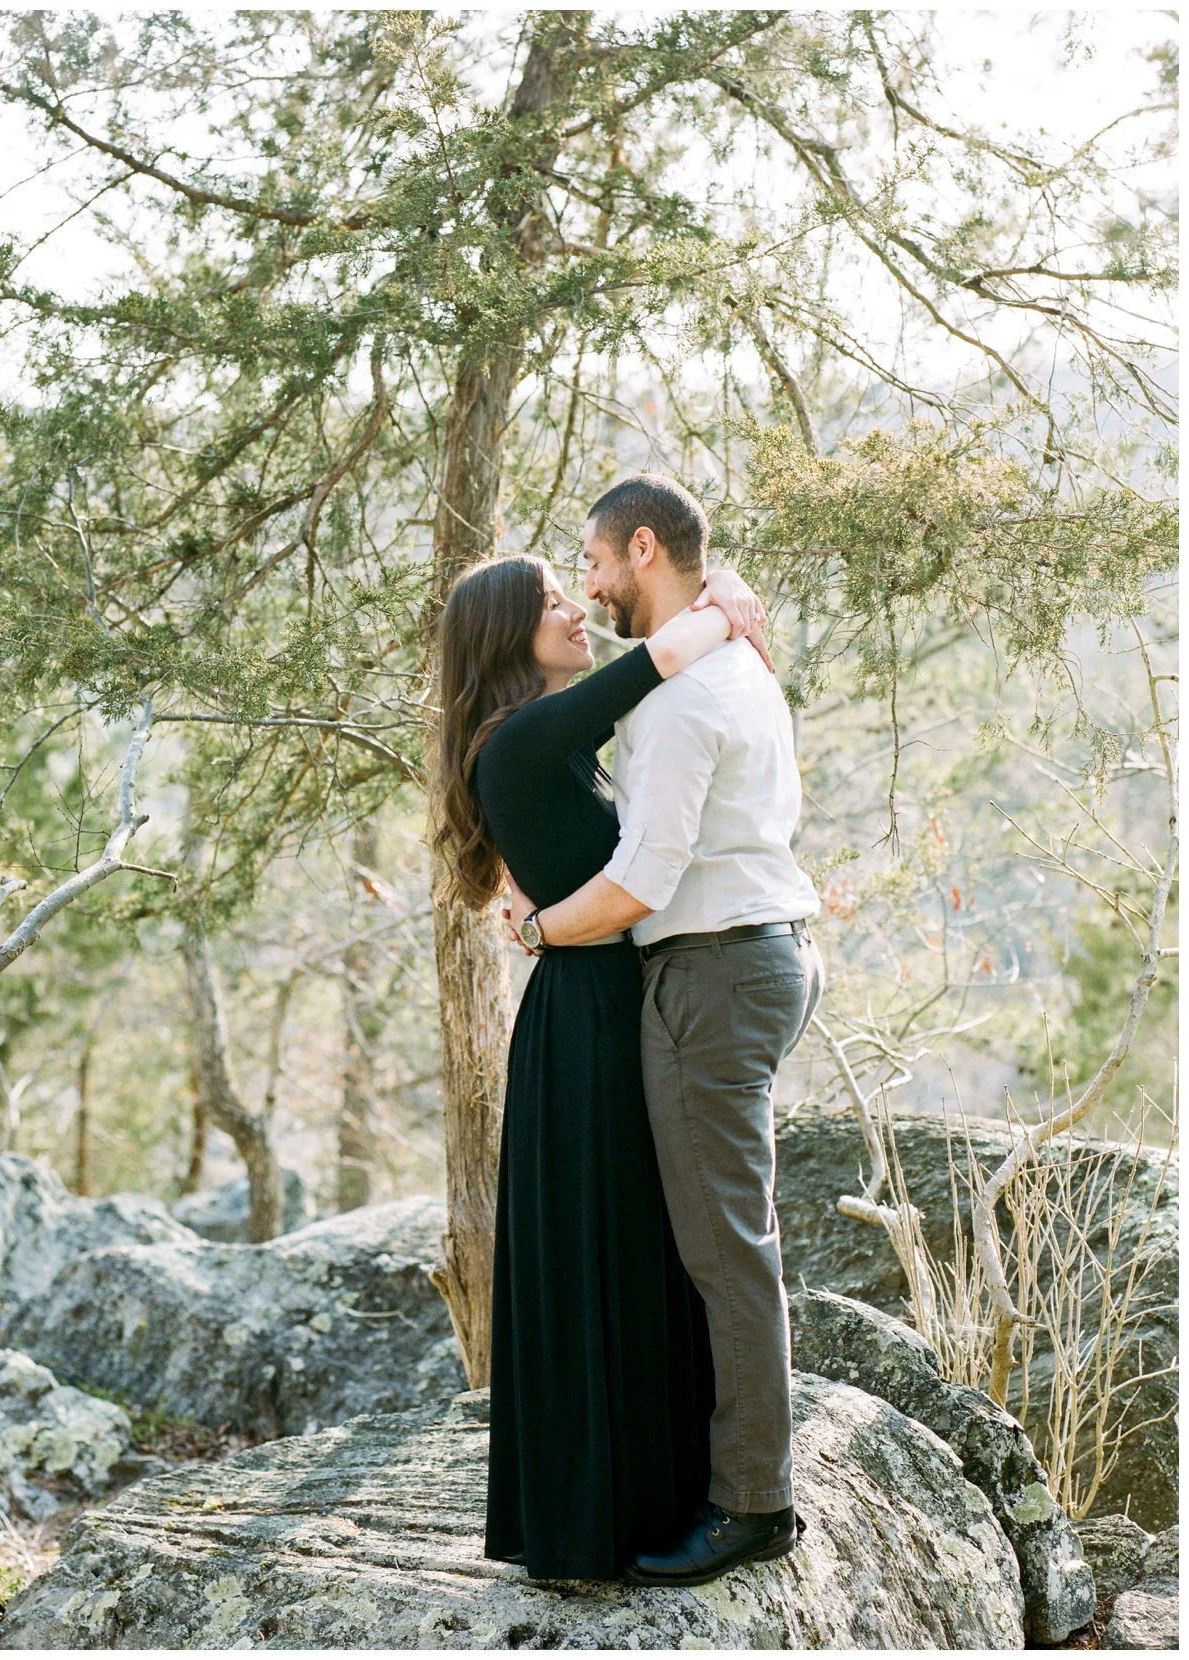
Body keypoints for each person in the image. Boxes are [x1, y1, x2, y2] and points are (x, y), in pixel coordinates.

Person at [505, 474, 824, 1588]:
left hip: (711, 971)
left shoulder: (685, 699)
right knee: (712, 1235)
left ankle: (752, 1503)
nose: (587, 590)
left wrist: (540, 929)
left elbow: (640, 881)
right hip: (750, 955)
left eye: (592, 563)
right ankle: (720, 1472)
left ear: (641, 548)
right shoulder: (723, 662)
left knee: (725, 1247)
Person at [432, 548, 770, 1582]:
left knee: (625, 1248)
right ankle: (608, 1516)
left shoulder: (535, 742)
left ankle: (631, 1500)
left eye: (568, 591)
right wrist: (730, 603)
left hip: (594, 1006)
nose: (575, 609)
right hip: (586, 1020)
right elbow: (659, 656)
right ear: (502, 638)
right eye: (547, 604)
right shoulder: (531, 732)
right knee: (609, 1250)